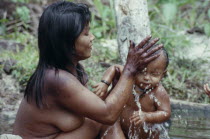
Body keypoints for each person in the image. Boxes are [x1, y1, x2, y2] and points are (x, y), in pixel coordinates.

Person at [12, 1, 163, 139]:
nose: (92, 37)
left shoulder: (73, 70)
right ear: (67, 42)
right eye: (85, 33)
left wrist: (118, 85)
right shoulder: (57, 79)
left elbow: (101, 110)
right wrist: (130, 69)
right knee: (103, 120)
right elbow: (107, 114)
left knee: (102, 118)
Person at [93, 46, 171, 139]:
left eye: (154, 74)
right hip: (121, 130)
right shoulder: (129, 78)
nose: (146, 78)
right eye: (142, 72)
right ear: (135, 67)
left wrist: (146, 116)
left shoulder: (159, 92)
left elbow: (165, 113)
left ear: (163, 74)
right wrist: (105, 83)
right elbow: (115, 68)